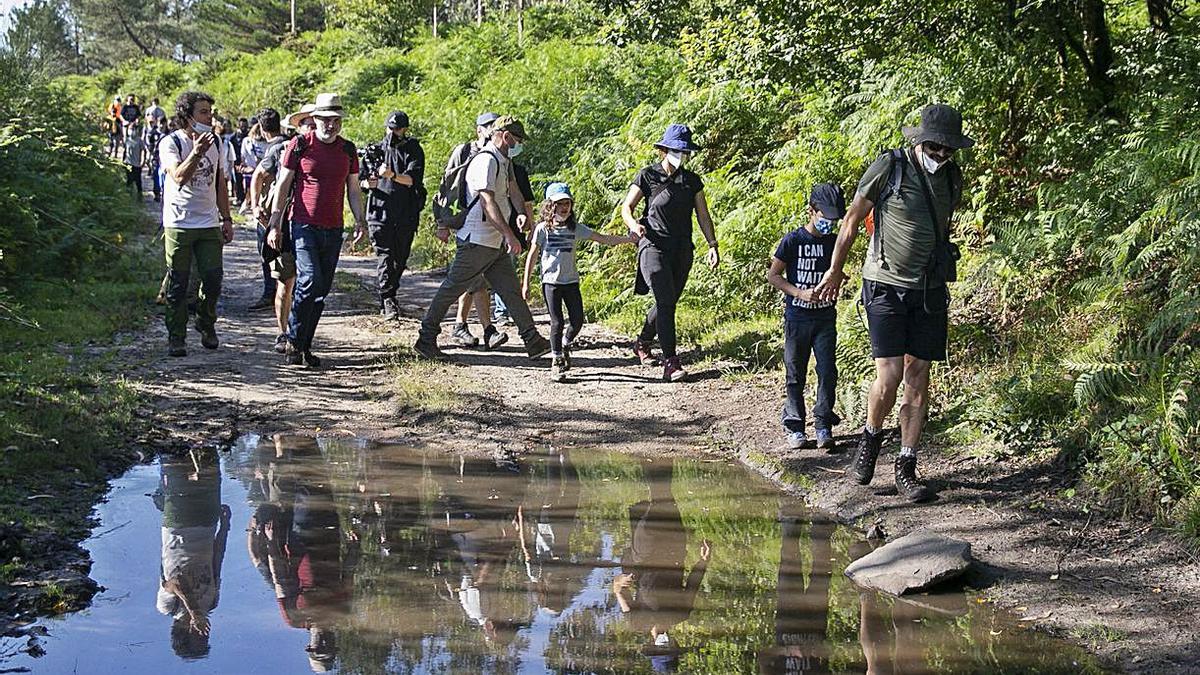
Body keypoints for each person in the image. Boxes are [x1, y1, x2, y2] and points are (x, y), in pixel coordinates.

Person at [813, 103, 972, 503]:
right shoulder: (890, 167)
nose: (941, 156)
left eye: (948, 151)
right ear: (920, 141)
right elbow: (851, 220)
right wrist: (835, 270)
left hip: (930, 289)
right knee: (890, 375)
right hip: (884, 284)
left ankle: (906, 464)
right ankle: (871, 438)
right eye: (935, 148)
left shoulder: (952, 177)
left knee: (919, 375)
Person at [414, 116, 551, 360]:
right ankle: (426, 338)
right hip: (477, 241)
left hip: (493, 242)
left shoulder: (503, 160)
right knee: (451, 289)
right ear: (506, 137)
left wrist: (521, 214)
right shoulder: (485, 161)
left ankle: (533, 340)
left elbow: (514, 190)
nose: (518, 145)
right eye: (517, 140)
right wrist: (510, 235)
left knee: (510, 292)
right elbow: (487, 202)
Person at [266, 93, 367, 368]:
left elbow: (354, 189)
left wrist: (360, 220)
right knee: (308, 280)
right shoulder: (299, 145)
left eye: (335, 120)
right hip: (302, 224)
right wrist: (275, 222)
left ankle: (302, 346)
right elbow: (283, 184)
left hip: (333, 229)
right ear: (315, 119)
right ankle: (294, 340)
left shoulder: (348, 150)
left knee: (320, 290)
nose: (330, 125)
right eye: (325, 119)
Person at [620, 123, 720, 382]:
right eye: (677, 150)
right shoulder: (648, 176)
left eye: (685, 152)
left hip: (682, 250)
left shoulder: (692, 181)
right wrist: (634, 226)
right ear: (664, 150)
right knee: (665, 301)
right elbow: (627, 208)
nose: (681, 156)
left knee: (668, 302)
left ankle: (642, 342)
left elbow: (703, 215)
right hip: (652, 246)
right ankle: (671, 362)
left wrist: (712, 245)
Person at [522, 182, 633, 382]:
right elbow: (532, 255)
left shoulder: (575, 229)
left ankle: (565, 343)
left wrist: (629, 239)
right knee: (557, 321)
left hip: (571, 282)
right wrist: (526, 284)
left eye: (568, 203)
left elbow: (603, 239)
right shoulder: (542, 230)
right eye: (560, 203)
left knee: (577, 320)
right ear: (550, 206)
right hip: (551, 282)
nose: (565, 207)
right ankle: (556, 361)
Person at [767, 183, 846, 450]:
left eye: (835, 221)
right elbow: (773, 275)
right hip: (797, 318)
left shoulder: (835, 243)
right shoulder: (793, 241)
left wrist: (838, 280)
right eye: (826, 219)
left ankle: (823, 423)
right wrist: (799, 293)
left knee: (827, 371)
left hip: (825, 318)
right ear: (811, 211)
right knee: (794, 373)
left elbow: (837, 273)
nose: (830, 225)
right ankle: (795, 425)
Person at [159, 90, 235, 357]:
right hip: (179, 223)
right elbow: (178, 177)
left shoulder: (218, 143)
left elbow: (220, 183)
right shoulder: (171, 143)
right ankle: (176, 336)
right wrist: (196, 152)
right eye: (203, 112)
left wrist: (226, 218)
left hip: (208, 222)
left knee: (213, 279)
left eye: (210, 112)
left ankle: (205, 322)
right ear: (187, 115)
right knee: (178, 283)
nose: (209, 117)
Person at [154, 451, 230, 660]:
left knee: (174, 459)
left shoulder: (167, 607)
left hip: (178, 525)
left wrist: (194, 611)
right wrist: (224, 528)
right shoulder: (211, 602)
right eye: (206, 637)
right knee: (209, 463)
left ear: (184, 632)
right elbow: (217, 561)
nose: (205, 632)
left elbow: (174, 582)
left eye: (200, 637)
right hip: (207, 523)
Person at [253, 104, 315, 354]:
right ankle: (283, 333)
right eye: (307, 122)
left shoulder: (330, 149)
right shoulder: (283, 149)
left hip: (313, 225)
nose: (312, 126)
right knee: (285, 282)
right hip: (285, 225)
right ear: (297, 126)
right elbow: (259, 175)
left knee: (309, 283)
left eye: (315, 121)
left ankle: (300, 334)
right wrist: (257, 206)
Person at [439, 112, 504, 349]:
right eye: (489, 127)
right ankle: (488, 330)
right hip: (467, 226)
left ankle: (460, 326)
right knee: (475, 278)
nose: (492, 131)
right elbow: (447, 188)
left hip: (490, 229)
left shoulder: (500, 154)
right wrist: (442, 223)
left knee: (475, 278)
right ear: (479, 130)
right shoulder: (464, 152)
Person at [360, 110, 426, 320]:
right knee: (385, 255)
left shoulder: (412, 149)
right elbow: (359, 180)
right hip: (379, 211)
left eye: (397, 129)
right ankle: (387, 298)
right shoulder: (375, 150)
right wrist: (367, 183)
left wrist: (391, 175)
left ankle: (390, 294)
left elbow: (412, 180)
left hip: (405, 213)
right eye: (390, 128)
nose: (393, 132)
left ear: (405, 129)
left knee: (400, 257)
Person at [246, 109, 285, 312]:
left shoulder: (274, 149)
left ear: (261, 128)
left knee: (267, 252)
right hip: (290, 209)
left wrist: (255, 206)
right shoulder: (291, 143)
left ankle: (271, 294)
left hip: (271, 210)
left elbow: (258, 176)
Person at [491, 159, 536, 326]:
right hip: (488, 228)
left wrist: (531, 227)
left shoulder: (519, 171)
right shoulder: (487, 166)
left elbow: (527, 202)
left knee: (507, 269)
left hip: (513, 229)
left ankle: (502, 312)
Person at [143, 117, 166, 202]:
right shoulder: (154, 133)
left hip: (166, 158)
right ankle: (157, 193)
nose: (161, 125)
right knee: (156, 174)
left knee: (165, 175)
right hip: (156, 157)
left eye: (163, 123)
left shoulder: (168, 134)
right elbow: (150, 144)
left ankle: (164, 192)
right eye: (159, 123)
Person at [123, 120, 145, 199]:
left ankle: (140, 196)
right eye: (130, 129)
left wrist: (143, 160)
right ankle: (129, 196)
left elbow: (143, 150)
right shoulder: (127, 140)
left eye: (133, 129)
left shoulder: (139, 140)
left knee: (138, 181)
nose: (131, 131)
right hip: (128, 163)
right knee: (129, 180)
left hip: (137, 164)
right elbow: (124, 151)